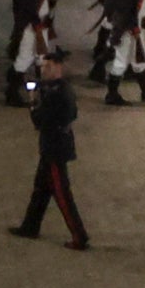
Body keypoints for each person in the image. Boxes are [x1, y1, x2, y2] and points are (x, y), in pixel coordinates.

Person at [10, 51, 88, 249]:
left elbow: (38, 120)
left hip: (55, 149)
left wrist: (32, 101)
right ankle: (30, 226)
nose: (43, 70)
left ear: (57, 67)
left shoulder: (56, 93)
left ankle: (79, 236)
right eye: (42, 67)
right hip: (53, 146)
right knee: (40, 190)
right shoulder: (63, 89)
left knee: (61, 193)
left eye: (47, 67)